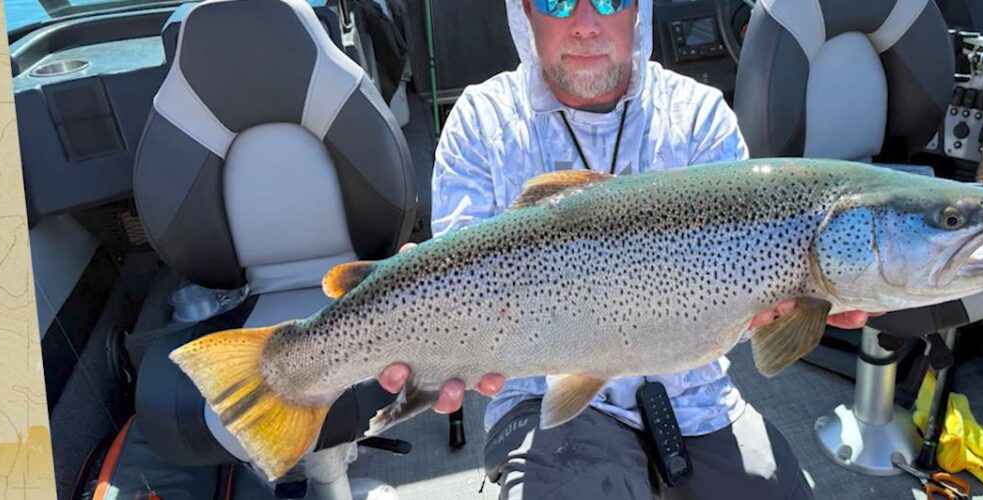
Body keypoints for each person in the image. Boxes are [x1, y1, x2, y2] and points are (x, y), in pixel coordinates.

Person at [375, 0, 877, 497]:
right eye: (556, 1)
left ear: (639, 8)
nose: (585, 25)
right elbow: (463, 274)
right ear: (525, 12)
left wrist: (790, 314)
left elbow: (740, 308)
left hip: (694, 392)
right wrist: (425, 318)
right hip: (538, 392)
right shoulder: (482, 120)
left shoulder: (699, 115)